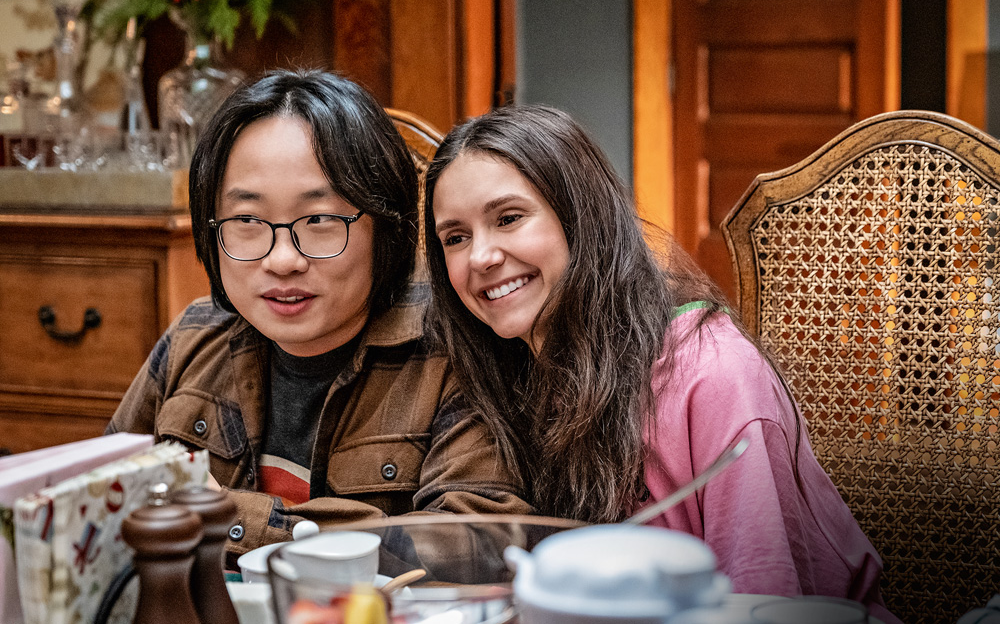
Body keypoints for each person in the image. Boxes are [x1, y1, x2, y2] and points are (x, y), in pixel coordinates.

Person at [423, 104, 901, 622]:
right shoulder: (500, 372)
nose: (480, 257)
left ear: (581, 218)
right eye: (455, 237)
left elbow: (764, 595)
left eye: (508, 218)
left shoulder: (712, 373)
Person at [108, 70, 531, 566]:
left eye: (320, 220)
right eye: (247, 221)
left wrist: (222, 515)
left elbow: (476, 545)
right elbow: (100, 493)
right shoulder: (195, 335)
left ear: (387, 223)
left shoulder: (453, 346)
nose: (283, 259)